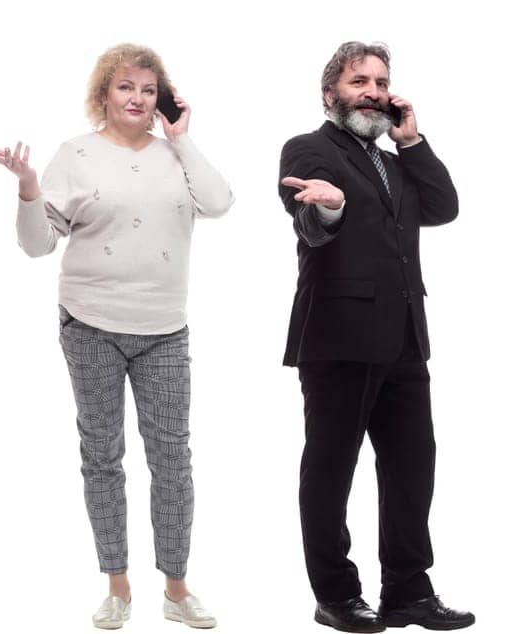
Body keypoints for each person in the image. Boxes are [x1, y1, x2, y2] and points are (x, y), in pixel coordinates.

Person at [0, 43, 231, 630]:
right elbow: (36, 244)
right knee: (103, 458)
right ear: (104, 93)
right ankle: (118, 587)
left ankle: (176, 588)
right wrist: (27, 189)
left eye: (149, 90)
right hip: (90, 324)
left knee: (172, 459)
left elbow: (220, 203)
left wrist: (182, 137)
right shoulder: (74, 155)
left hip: (163, 329)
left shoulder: (175, 154)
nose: (138, 99)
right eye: (127, 87)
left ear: (162, 98)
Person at [278, 41, 473, 633]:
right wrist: (330, 207)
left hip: (406, 337)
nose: (373, 90)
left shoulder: (393, 159)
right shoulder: (310, 148)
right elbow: (307, 220)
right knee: (331, 469)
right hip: (338, 335)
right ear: (330, 91)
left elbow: (444, 207)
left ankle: (409, 593)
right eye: (359, 79)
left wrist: (411, 141)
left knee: (414, 468)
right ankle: (336, 595)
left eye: (381, 81)